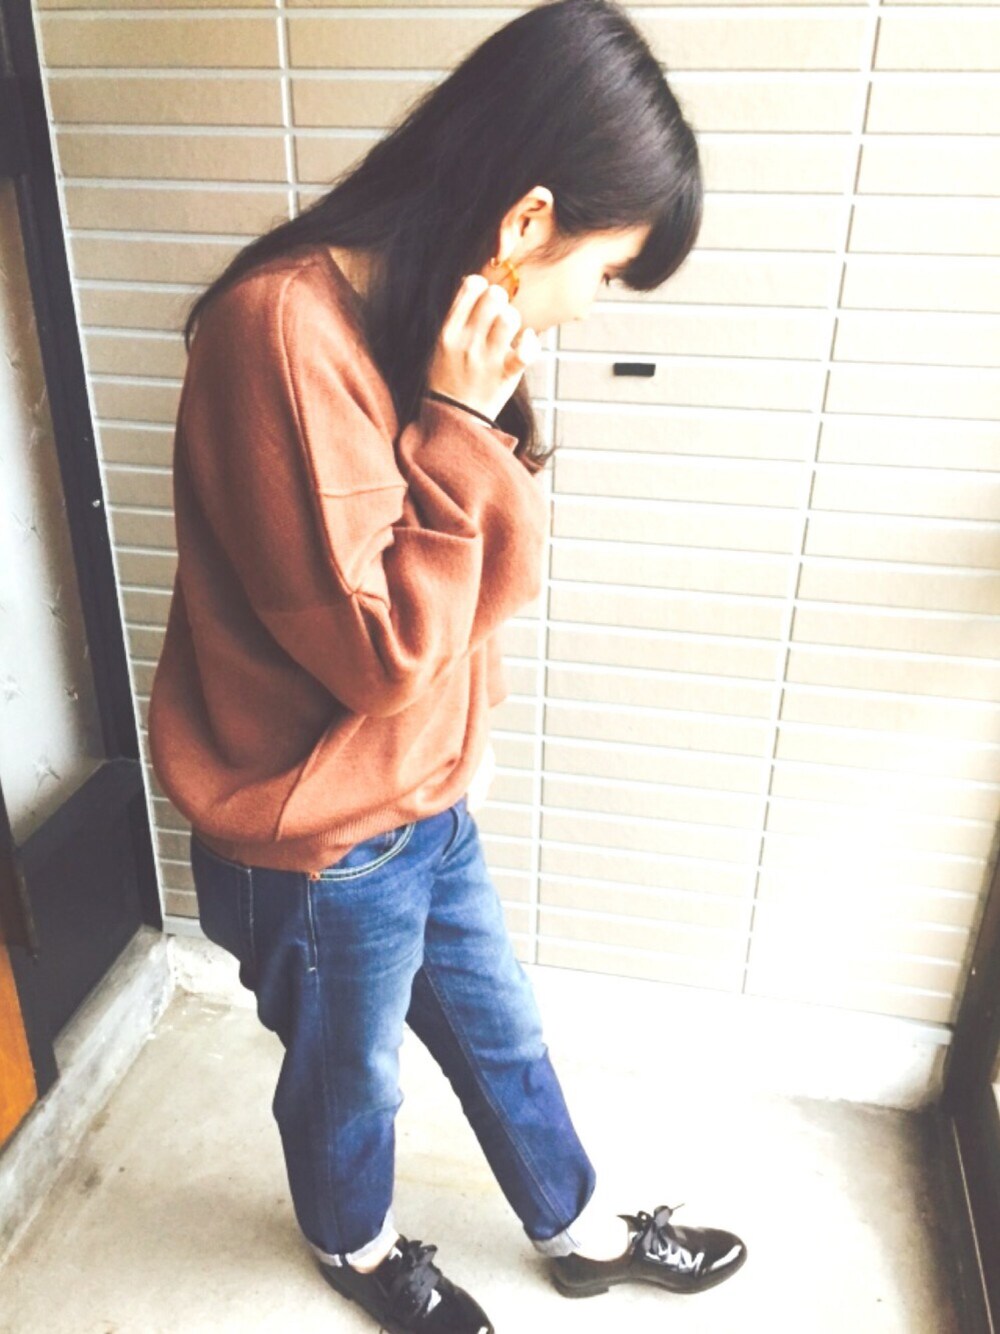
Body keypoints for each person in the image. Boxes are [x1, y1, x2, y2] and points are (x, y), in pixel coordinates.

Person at [147, 0, 747, 1328]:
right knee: (349, 1082)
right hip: (326, 836)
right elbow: (384, 650)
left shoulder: (421, 320)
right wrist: (464, 419)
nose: (591, 308)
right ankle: (353, 1247)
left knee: (503, 1033)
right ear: (529, 221)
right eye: (607, 270)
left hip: (422, 796)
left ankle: (576, 1225)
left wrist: (467, 408)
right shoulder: (282, 333)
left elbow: (468, 588)